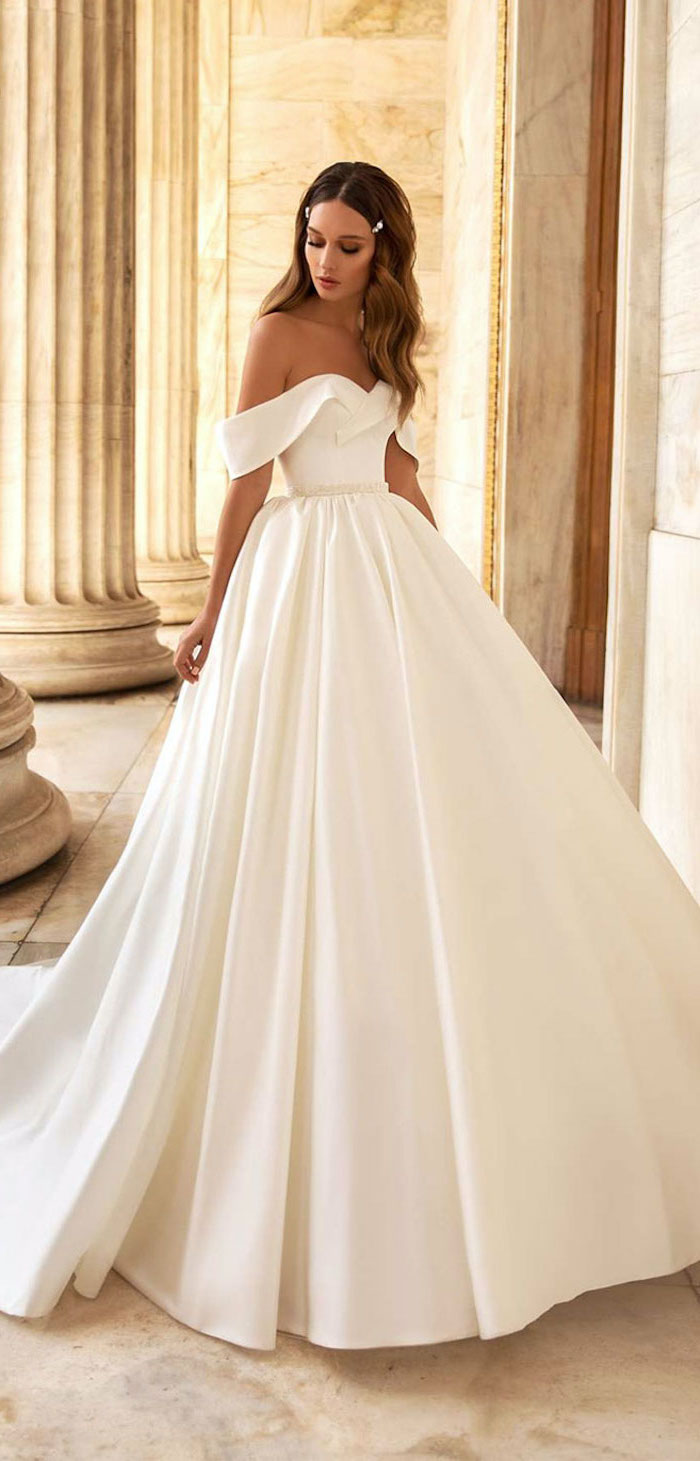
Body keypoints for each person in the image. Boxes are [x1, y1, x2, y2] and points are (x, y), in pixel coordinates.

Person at [1, 159, 700, 1355]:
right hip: (297, 583)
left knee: (432, 809)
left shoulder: (385, 334)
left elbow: (392, 467)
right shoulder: (275, 334)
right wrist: (213, 615)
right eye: (315, 242)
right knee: (292, 815)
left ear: (384, 251)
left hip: (387, 573)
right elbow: (241, 491)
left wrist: (451, 585)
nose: (325, 263)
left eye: (346, 248)